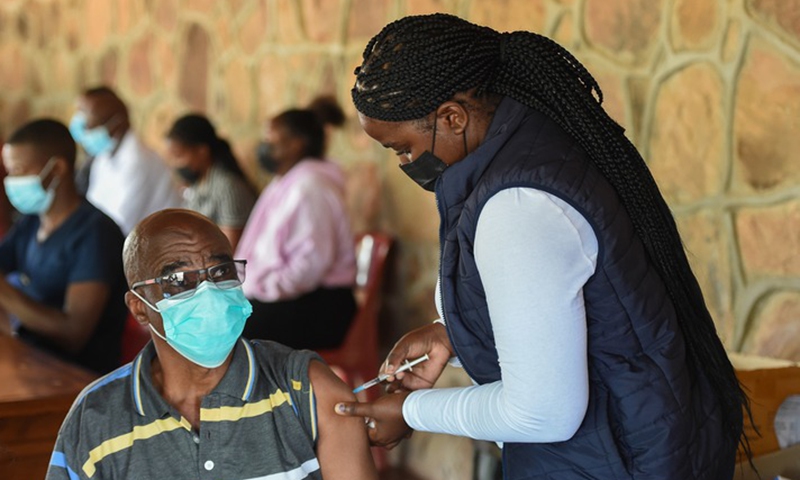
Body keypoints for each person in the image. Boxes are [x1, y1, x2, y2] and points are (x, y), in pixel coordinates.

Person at [334, 13, 751, 480]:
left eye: (402, 149)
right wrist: (452, 334)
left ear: (452, 117)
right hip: (638, 440)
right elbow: (574, 301)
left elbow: (543, 412)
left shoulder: (518, 205)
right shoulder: (535, 145)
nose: (406, 164)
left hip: (616, 461)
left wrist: (412, 411)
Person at [45, 209, 377, 480]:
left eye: (220, 272)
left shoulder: (307, 393)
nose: (208, 292)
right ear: (140, 308)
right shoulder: (96, 417)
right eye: (178, 281)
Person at [0, 119, 126, 374]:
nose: (10, 181)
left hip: (78, 380)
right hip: (30, 360)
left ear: (56, 168)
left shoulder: (95, 234)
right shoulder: (32, 222)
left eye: (18, 170)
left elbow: (74, 333)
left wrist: (4, 293)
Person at [236, 106, 357, 350]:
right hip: (297, 298)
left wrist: (263, 288)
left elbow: (310, 265)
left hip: (322, 307)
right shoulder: (285, 183)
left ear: (296, 144)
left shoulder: (310, 187)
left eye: (271, 139)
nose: (264, 146)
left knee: (235, 333)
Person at [69, 86, 182, 234]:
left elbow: (117, 227)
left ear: (116, 124)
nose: (84, 130)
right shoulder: (104, 155)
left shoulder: (138, 163)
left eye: (88, 123)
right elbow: (94, 205)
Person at [164, 113, 256, 249]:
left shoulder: (227, 187)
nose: (175, 164)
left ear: (202, 151)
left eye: (179, 156)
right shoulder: (197, 183)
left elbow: (230, 248)